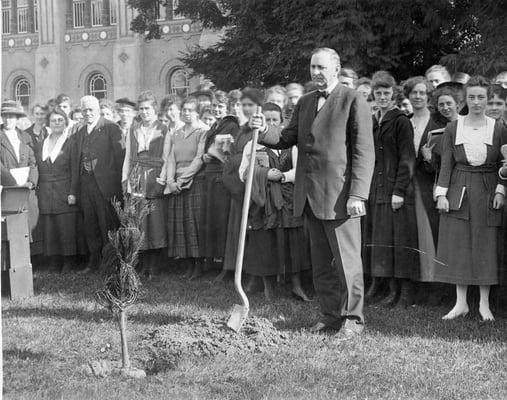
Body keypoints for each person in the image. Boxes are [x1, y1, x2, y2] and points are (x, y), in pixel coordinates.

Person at [250, 48, 374, 337]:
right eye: (312, 67)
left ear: (336, 68)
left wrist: (358, 195)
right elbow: (285, 137)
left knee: (347, 262)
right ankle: (330, 315)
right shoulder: (305, 102)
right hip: (309, 196)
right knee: (320, 263)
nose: (316, 72)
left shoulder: (353, 99)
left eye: (321, 67)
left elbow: (364, 152)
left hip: (341, 196)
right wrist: (262, 129)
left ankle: (353, 319)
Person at [434, 76, 507, 321]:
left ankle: (484, 304)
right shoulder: (455, 126)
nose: (476, 102)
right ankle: (461, 303)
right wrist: (441, 194)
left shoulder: (498, 128)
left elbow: (503, 165)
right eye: (472, 97)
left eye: (481, 98)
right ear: (466, 99)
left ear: (487, 100)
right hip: (459, 189)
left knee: (485, 245)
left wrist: (500, 190)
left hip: (487, 189)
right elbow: (446, 163)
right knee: (459, 246)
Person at [239, 102, 311, 301]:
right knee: (266, 243)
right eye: (266, 120)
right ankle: (269, 287)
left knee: (292, 242)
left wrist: (283, 176)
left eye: (274, 120)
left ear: (282, 122)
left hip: (287, 197)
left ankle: (296, 285)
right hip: (265, 200)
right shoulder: (252, 144)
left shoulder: (290, 144)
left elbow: (300, 169)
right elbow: (243, 174)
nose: (271, 123)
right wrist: (264, 173)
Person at [363, 71, 419, 308]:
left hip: (396, 192)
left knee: (398, 242)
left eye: (386, 93)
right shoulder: (374, 121)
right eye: (378, 93)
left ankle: (402, 292)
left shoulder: (401, 121)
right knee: (379, 240)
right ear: (374, 95)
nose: (383, 97)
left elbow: (407, 159)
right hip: (377, 190)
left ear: (393, 94)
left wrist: (399, 191)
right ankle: (380, 286)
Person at [70, 96, 124, 274]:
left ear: (98, 109)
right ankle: (93, 262)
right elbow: (75, 162)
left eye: (91, 110)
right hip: (86, 185)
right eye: (84, 110)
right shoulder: (79, 132)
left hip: (105, 186)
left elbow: (120, 159)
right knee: (90, 224)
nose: (88, 113)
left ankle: (112, 263)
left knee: (107, 224)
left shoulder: (111, 128)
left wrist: (117, 187)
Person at [219, 88, 265, 283]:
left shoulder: (259, 128)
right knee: (236, 227)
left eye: (250, 105)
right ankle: (232, 267)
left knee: (251, 229)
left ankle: (251, 272)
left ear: (258, 107)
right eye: (244, 105)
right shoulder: (242, 128)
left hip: (250, 185)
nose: (246, 108)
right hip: (236, 185)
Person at [122, 91, 169, 278]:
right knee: (139, 222)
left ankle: (154, 266)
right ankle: (143, 264)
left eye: (147, 108)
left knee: (155, 222)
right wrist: (125, 180)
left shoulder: (164, 130)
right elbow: (128, 157)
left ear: (154, 109)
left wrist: (162, 180)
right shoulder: (133, 130)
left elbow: (167, 158)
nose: (144, 112)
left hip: (154, 177)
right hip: (136, 177)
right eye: (141, 109)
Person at [35, 109, 86, 271]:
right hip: (45, 191)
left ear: (65, 123)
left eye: (60, 120)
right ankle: (54, 261)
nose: (57, 123)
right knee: (50, 227)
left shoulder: (71, 142)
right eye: (54, 120)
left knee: (66, 227)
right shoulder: (40, 145)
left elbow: (75, 170)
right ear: (48, 124)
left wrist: (72, 192)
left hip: (64, 191)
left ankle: (68, 262)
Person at [164, 97, 207, 279]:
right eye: (185, 110)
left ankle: (199, 265)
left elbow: (199, 158)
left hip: (193, 181)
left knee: (193, 224)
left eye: (191, 110)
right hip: (176, 182)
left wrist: (182, 181)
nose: (187, 113)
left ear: (197, 112)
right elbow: (171, 159)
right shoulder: (177, 132)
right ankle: (188, 264)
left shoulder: (203, 131)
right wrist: (171, 181)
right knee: (180, 223)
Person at [200, 91, 240, 272]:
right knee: (211, 219)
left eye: (220, 106)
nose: (216, 109)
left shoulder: (231, 125)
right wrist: (205, 155)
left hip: (221, 176)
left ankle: (225, 264)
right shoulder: (214, 127)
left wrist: (212, 155)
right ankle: (213, 260)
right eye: (214, 106)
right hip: (210, 175)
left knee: (221, 218)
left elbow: (229, 153)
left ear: (228, 108)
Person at [0, 100, 39, 256]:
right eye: (5, 116)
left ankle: (25, 260)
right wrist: (12, 181)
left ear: (17, 118)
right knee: (7, 224)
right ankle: (8, 262)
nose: (8, 119)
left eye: (12, 116)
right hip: (6, 188)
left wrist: (31, 181)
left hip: (25, 188)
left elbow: (33, 162)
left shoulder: (25, 136)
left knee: (24, 223)